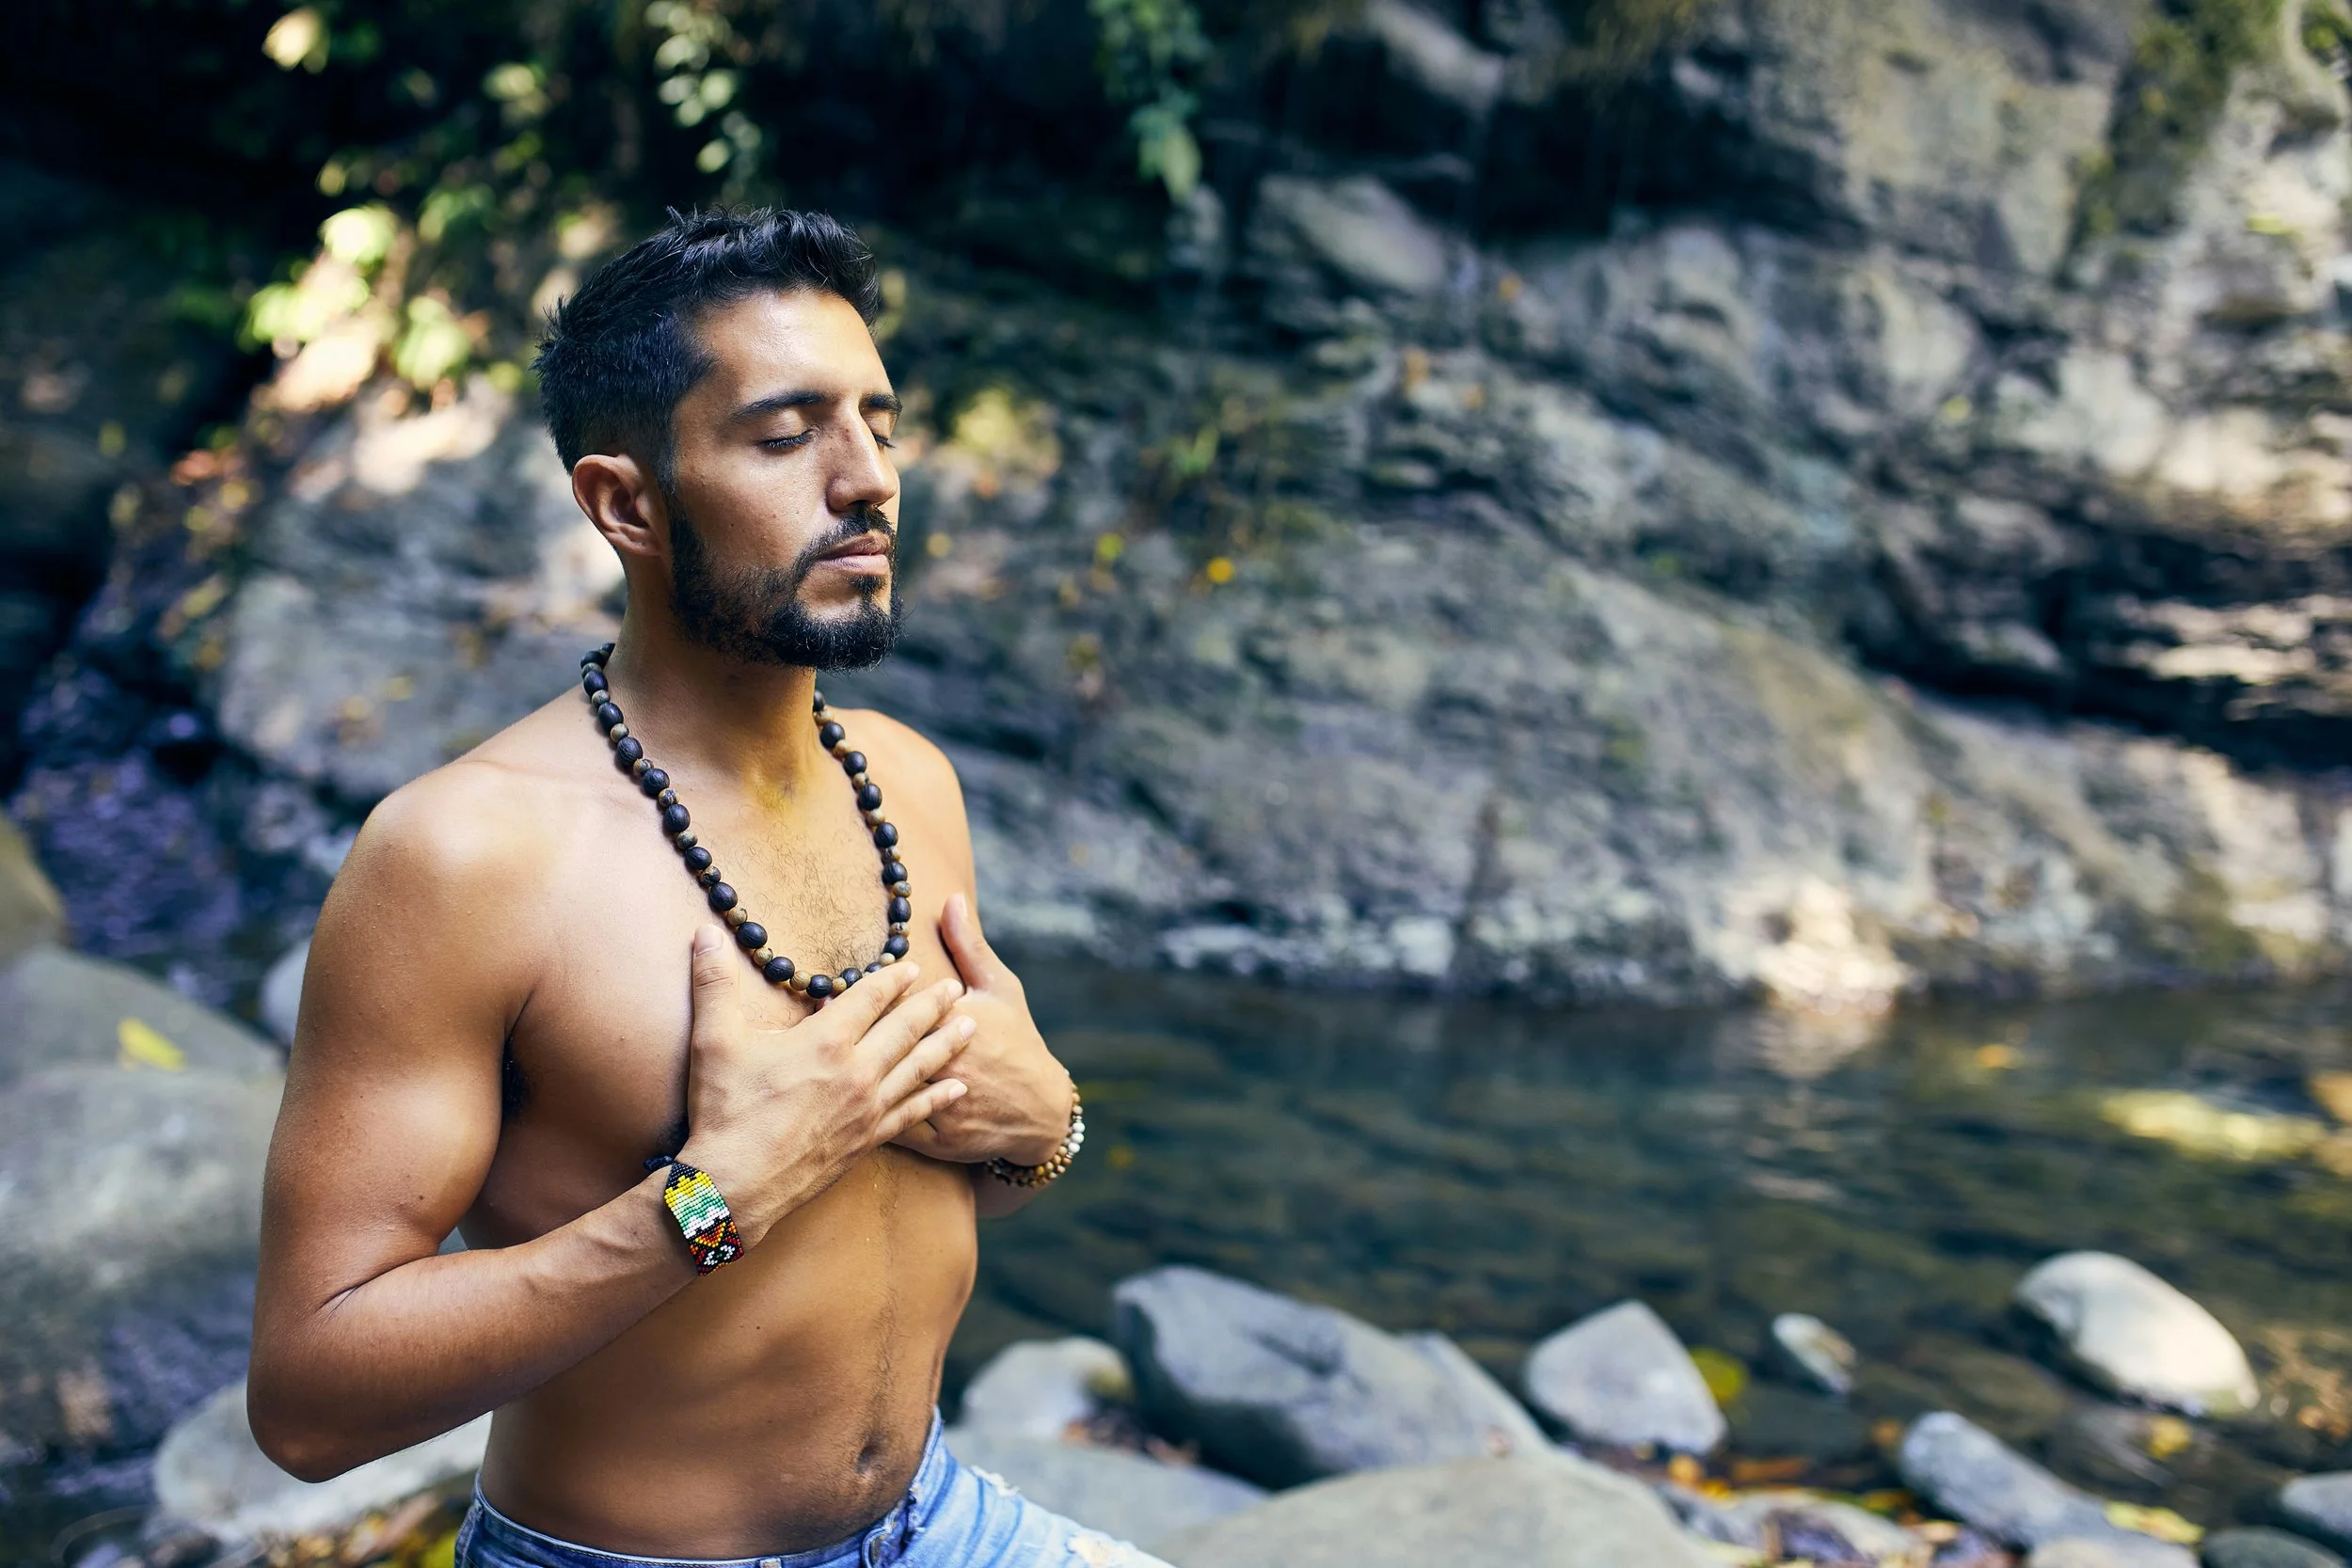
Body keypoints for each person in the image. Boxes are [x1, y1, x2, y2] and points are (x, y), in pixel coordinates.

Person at [247, 208, 1169, 1568]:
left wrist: (1045, 1126)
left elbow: (897, 1201)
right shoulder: (465, 857)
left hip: (939, 1523)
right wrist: (706, 1202)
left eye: (880, 422)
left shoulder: (910, 785)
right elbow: (308, 1401)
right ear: (627, 504)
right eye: (788, 435)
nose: (867, 481)